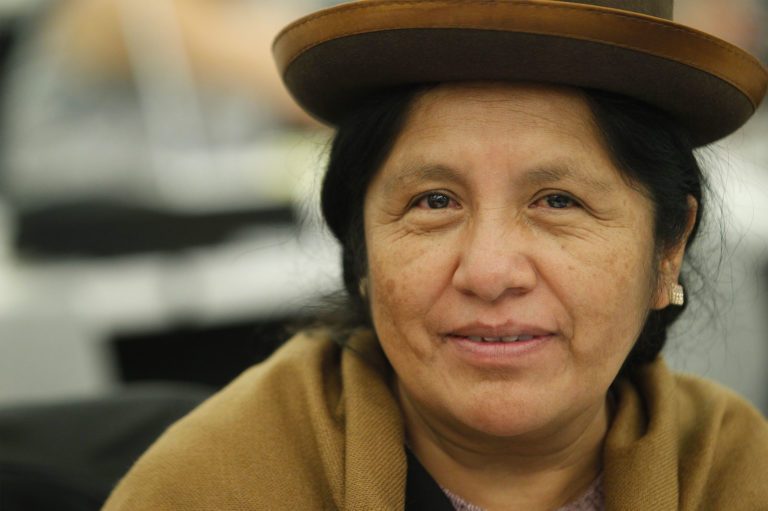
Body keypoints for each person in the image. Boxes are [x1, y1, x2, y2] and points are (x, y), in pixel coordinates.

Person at [103, 1, 768, 509]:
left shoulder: (737, 474)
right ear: (360, 248)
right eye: (435, 201)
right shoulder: (208, 487)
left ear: (668, 248)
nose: (489, 272)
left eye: (558, 201)